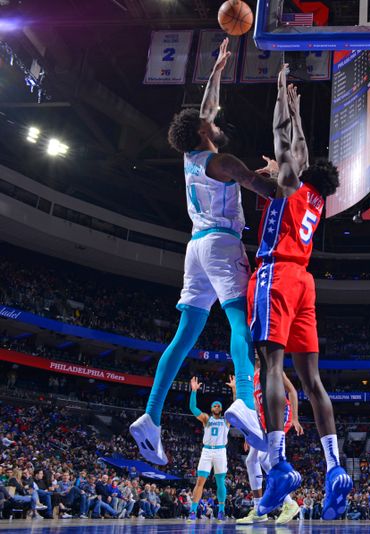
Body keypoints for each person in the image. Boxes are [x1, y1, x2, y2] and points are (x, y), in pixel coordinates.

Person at [130, 37, 276, 464]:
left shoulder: (191, 157)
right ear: (201, 132)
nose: (215, 121)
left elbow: (206, 110)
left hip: (195, 248)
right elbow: (265, 189)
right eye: (208, 122)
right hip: (221, 244)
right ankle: (245, 401)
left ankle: (150, 417)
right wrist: (275, 172)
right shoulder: (223, 162)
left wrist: (216, 72)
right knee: (239, 322)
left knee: (184, 337)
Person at [248, 64, 349, 520]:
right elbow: (301, 147)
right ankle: (334, 469)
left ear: (294, 171)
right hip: (307, 283)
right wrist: (298, 107)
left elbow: (285, 143)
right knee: (312, 383)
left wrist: (279, 99)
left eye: (279, 163)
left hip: (279, 274)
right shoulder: (316, 197)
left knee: (270, 363)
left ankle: (278, 462)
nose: (273, 163)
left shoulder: (288, 185)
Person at [237, 362, 302, 525]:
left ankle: (290, 504)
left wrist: (295, 417)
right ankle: (259, 509)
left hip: (281, 413)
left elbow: (292, 391)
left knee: (264, 459)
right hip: (264, 419)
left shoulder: (273, 369)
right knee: (251, 460)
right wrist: (250, 434)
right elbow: (257, 409)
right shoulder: (252, 379)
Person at [186, 376, 231, 522]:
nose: (217, 407)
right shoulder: (206, 418)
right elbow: (193, 408)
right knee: (200, 481)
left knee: (220, 482)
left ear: (221, 408)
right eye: (214, 405)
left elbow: (238, 406)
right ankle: (193, 511)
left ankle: (222, 511)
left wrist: (235, 389)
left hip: (220, 451)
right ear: (211, 408)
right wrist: (194, 391)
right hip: (207, 451)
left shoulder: (226, 419)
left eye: (218, 405)